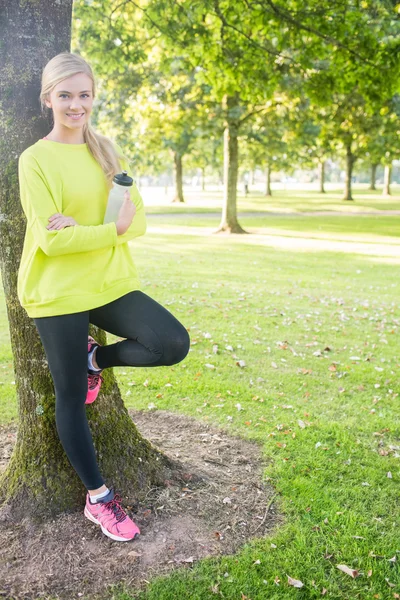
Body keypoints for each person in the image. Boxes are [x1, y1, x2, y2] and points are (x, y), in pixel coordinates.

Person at [17, 52, 190, 542]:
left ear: (94, 97)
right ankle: (99, 498)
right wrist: (110, 229)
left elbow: (139, 223)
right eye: (66, 95)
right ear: (48, 98)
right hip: (57, 289)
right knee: (69, 397)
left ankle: (99, 359)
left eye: (84, 94)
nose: (76, 105)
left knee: (171, 343)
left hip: (109, 280)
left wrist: (95, 231)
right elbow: (52, 241)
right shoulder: (36, 160)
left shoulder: (106, 151)